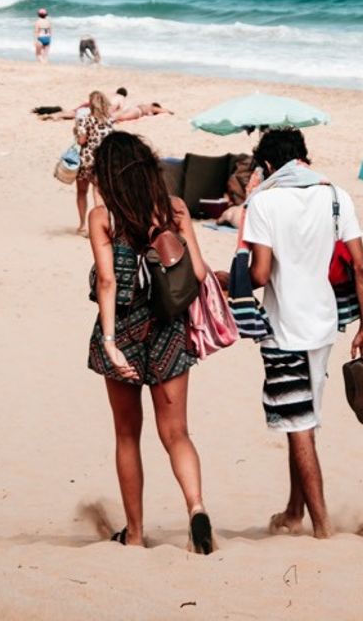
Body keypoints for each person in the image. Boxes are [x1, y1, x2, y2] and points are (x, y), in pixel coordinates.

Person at [241, 128, 363, 540]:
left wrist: (232, 279)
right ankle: (293, 511)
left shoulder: (264, 202)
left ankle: (321, 526)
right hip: (323, 325)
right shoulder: (336, 195)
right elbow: (361, 266)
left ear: (267, 165)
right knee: (304, 421)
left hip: (284, 330)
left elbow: (261, 273)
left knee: (298, 425)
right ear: (303, 156)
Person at [87, 131, 214, 553]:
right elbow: (197, 274)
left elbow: (107, 280)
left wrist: (109, 342)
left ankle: (137, 535)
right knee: (177, 434)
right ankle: (196, 509)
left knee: (127, 436)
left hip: (123, 329)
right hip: (168, 331)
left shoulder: (104, 217)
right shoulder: (174, 209)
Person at [74, 90, 113, 235]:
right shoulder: (109, 121)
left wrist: (77, 133)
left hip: (86, 160)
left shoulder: (85, 119)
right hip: (102, 162)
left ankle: (83, 225)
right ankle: (101, 225)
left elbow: (81, 140)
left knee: (81, 192)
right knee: (99, 194)